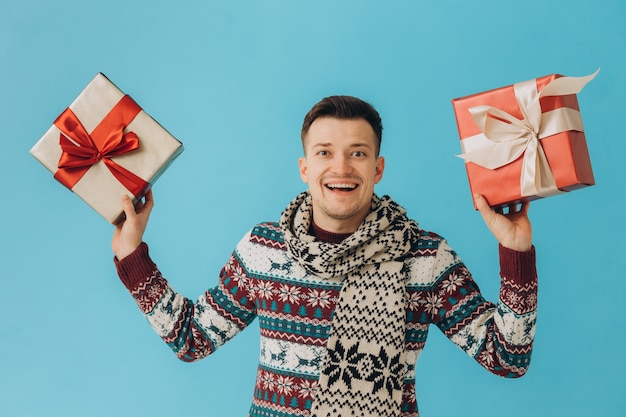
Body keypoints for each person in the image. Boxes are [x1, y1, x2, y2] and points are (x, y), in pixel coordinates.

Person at [112, 96, 537, 417]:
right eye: (324, 152)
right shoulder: (264, 249)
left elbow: (506, 358)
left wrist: (515, 251)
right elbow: (192, 338)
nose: (341, 167)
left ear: (378, 168)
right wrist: (131, 253)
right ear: (304, 167)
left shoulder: (423, 258)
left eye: (358, 152)